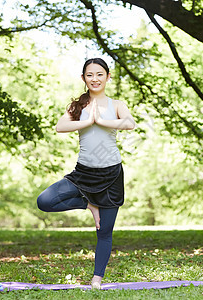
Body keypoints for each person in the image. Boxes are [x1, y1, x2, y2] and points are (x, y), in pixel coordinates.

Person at [36, 57, 135, 289]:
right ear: (83, 78)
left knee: (104, 231)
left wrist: (102, 120)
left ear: (108, 77)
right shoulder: (77, 107)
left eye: (100, 74)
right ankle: (88, 204)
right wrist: (87, 121)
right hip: (83, 174)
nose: (95, 79)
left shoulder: (117, 104)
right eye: (90, 75)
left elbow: (129, 123)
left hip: (111, 175)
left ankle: (97, 279)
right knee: (45, 201)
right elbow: (60, 126)